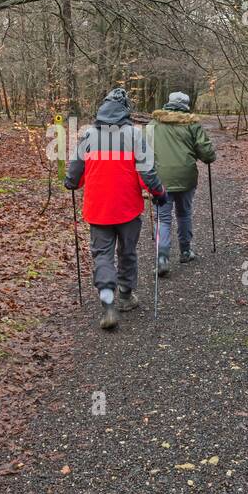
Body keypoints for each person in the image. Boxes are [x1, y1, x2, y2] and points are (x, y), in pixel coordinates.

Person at [65, 87, 168, 330]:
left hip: (98, 207)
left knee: (102, 254)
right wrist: (159, 193)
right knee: (127, 251)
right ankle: (124, 295)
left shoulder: (88, 135)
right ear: (125, 111)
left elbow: (75, 173)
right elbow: (147, 172)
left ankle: (108, 303)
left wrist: (70, 182)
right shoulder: (133, 135)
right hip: (127, 207)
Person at [146, 91, 216, 275]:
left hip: (160, 178)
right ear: (186, 105)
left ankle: (162, 257)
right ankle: (185, 251)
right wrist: (209, 153)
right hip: (186, 177)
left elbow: (144, 152)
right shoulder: (192, 125)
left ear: (168, 103)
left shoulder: (153, 125)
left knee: (163, 217)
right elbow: (207, 155)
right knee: (184, 214)